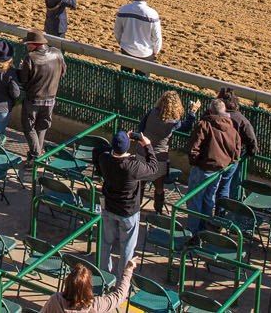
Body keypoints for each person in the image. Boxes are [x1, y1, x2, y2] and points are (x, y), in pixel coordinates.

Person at [95, 130, 160, 275]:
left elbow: (101, 151)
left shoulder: (103, 158)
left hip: (107, 205)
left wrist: (122, 140)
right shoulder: (133, 166)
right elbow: (154, 168)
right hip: (127, 211)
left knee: (105, 242)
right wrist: (147, 145)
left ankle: (103, 275)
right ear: (127, 146)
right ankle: (122, 281)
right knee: (127, 248)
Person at [184, 99, 242, 240]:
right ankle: (203, 231)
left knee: (194, 200)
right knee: (208, 199)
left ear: (210, 111)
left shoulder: (204, 125)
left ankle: (193, 234)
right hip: (218, 171)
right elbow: (236, 152)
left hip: (202, 169)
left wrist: (196, 162)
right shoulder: (233, 129)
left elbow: (193, 148)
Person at [138, 90, 192, 215]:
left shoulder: (151, 112)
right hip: (159, 157)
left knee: (140, 183)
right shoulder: (173, 122)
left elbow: (140, 128)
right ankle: (158, 213)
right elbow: (186, 127)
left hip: (143, 152)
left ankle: (136, 209)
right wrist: (192, 112)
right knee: (159, 187)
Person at [17, 29, 66, 161]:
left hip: (33, 99)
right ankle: (36, 157)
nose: (27, 47)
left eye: (28, 44)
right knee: (42, 126)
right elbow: (63, 72)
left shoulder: (30, 58)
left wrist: (22, 68)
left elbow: (24, 80)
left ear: (34, 44)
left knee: (28, 127)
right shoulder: (57, 53)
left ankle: (36, 155)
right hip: (50, 99)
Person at [41, 259, 137, 313]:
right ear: (88, 287)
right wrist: (128, 271)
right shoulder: (96, 305)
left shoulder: (55, 300)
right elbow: (119, 295)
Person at [215, 89, 258, 201]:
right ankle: (221, 214)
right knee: (226, 187)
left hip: (214, 156)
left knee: (211, 187)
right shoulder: (242, 120)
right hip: (232, 158)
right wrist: (249, 152)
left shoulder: (212, 115)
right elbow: (252, 141)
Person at [114, 0, 162, 67]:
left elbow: (117, 30)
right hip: (145, 53)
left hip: (127, 50)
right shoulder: (152, 14)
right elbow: (156, 36)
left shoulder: (123, 10)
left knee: (125, 77)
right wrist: (155, 51)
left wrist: (122, 43)